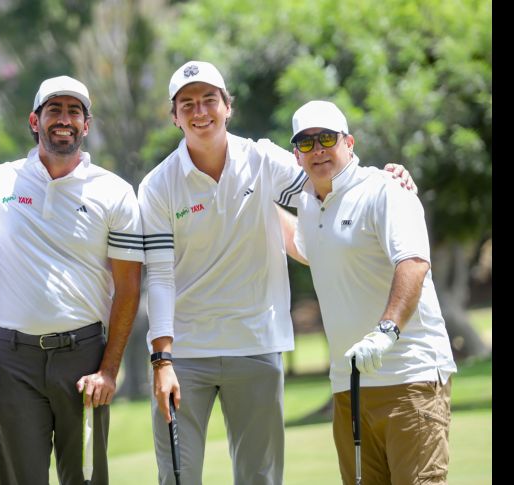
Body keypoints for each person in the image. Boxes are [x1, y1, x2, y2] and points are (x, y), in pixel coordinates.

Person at [138, 61, 415, 485]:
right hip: (186, 354)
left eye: (210, 99)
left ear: (228, 106)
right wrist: (162, 359)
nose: (200, 111)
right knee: (177, 478)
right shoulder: (158, 186)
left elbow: (328, 181)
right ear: (174, 116)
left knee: (260, 479)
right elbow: (157, 275)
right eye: (187, 104)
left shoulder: (262, 160)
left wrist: (383, 177)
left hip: (256, 344)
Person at [0, 76, 144, 484]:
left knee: (86, 478)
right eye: (54, 110)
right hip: (14, 360)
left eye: (74, 111)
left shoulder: (115, 192)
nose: (64, 119)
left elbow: (128, 288)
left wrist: (108, 369)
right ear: (34, 120)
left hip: (84, 357)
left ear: (87, 125)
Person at [289, 100, 457, 484]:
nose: (318, 150)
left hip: (410, 379)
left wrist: (386, 331)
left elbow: (413, 261)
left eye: (327, 139)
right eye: (307, 143)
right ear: (296, 154)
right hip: (349, 389)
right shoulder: (308, 204)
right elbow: (305, 248)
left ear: (349, 142)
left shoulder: (385, 189)